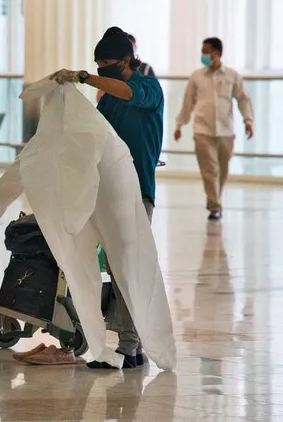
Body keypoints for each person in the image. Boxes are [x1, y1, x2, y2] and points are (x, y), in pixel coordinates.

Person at [51, 26, 164, 369]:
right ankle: (131, 345)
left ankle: (130, 347)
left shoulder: (147, 87)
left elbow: (129, 92)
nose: (101, 69)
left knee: (127, 269)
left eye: (107, 64)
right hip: (107, 193)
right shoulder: (110, 98)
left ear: (127, 61)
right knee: (116, 271)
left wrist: (85, 77)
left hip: (136, 193)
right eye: (97, 64)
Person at [174, 37, 254, 221]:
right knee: (210, 170)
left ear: (216, 53)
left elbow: (243, 99)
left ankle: (215, 199)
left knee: (222, 170)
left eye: (205, 51)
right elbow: (188, 102)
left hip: (226, 131)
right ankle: (215, 206)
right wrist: (180, 124)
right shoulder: (197, 76)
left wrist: (247, 120)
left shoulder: (232, 76)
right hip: (203, 131)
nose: (203, 55)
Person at [97, 33, 155, 103]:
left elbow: (134, 93)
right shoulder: (112, 77)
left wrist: (86, 77)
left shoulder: (146, 71)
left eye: (106, 62)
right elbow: (100, 98)